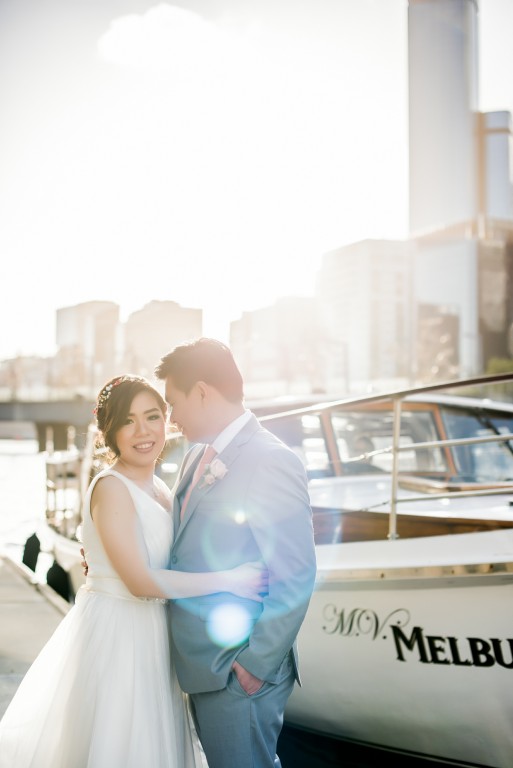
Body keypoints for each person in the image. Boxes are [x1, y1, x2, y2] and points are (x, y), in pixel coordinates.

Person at [0, 375, 266, 768]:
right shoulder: (111, 487)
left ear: (166, 421)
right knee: (121, 742)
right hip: (119, 634)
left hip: (156, 635)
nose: (143, 431)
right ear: (110, 432)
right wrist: (232, 581)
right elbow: (140, 582)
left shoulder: (162, 488)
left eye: (152, 416)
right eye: (128, 420)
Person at [154, 338, 317, 768]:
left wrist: (252, 667)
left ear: (201, 392)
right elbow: (180, 545)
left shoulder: (270, 459)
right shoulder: (195, 457)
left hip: (238, 672)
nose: (171, 418)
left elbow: (296, 573)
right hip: (203, 668)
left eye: (173, 404)